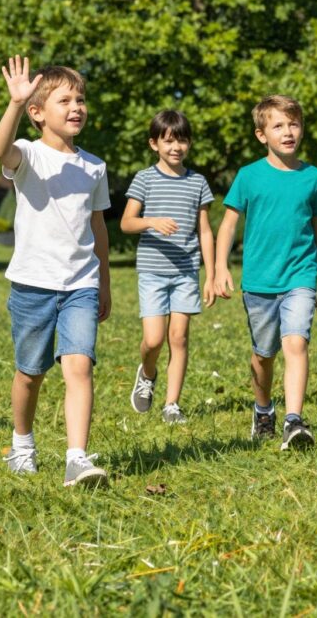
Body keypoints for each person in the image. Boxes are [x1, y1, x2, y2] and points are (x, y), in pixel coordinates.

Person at [0, 56, 112, 487]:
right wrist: (14, 103)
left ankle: (76, 457)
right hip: (32, 284)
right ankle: (22, 443)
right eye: (65, 100)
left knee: (79, 366)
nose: (76, 106)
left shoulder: (94, 166)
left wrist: (104, 282)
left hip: (80, 283)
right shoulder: (28, 154)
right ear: (38, 113)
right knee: (30, 373)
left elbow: (98, 227)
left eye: (80, 99)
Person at [214, 95, 317, 450]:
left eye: (294, 124)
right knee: (263, 355)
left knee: (296, 342)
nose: (288, 132)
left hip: (300, 276)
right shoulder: (249, 176)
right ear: (261, 134)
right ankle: (263, 408)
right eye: (278, 125)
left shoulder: (314, 177)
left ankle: (294, 421)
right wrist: (219, 267)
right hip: (259, 281)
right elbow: (229, 224)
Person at [120, 109, 215, 425]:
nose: (176, 147)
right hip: (152, 271)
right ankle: (147, 373)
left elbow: (205, 230)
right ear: (154, 144)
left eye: (182, 140)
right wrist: (152, 222)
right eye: (169, 141)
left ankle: (172, 404)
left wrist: (211, 274)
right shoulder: (144, 178)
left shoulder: (198, 182)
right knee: (154, 340)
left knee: (179, 337)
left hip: (187, 271)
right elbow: (126, 222)